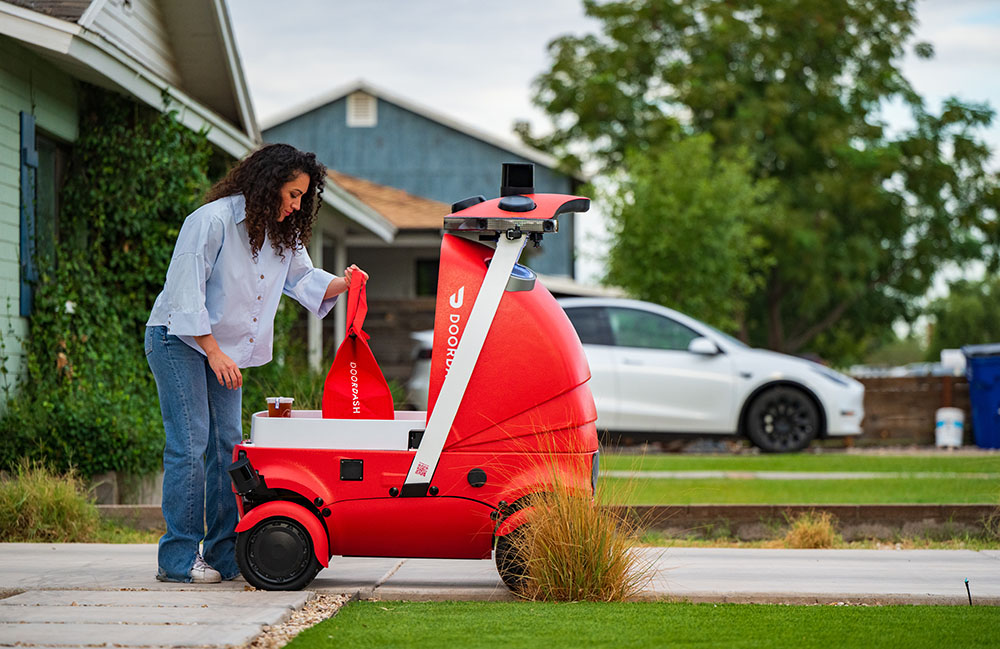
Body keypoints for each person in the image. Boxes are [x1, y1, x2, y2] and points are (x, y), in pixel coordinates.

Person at [144, 144, 368, 583]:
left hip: (221, 351)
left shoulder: (284, 236)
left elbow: (303, 280)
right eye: (292, 194)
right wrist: (212, 351)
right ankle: (177, 560)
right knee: (191, 444)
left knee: (229, 446)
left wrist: (345, 282)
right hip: (177, 340)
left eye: (303, 197)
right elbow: (184, 295)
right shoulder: (210, 221)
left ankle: (224, 553)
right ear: (267, 185)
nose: (297, 205)